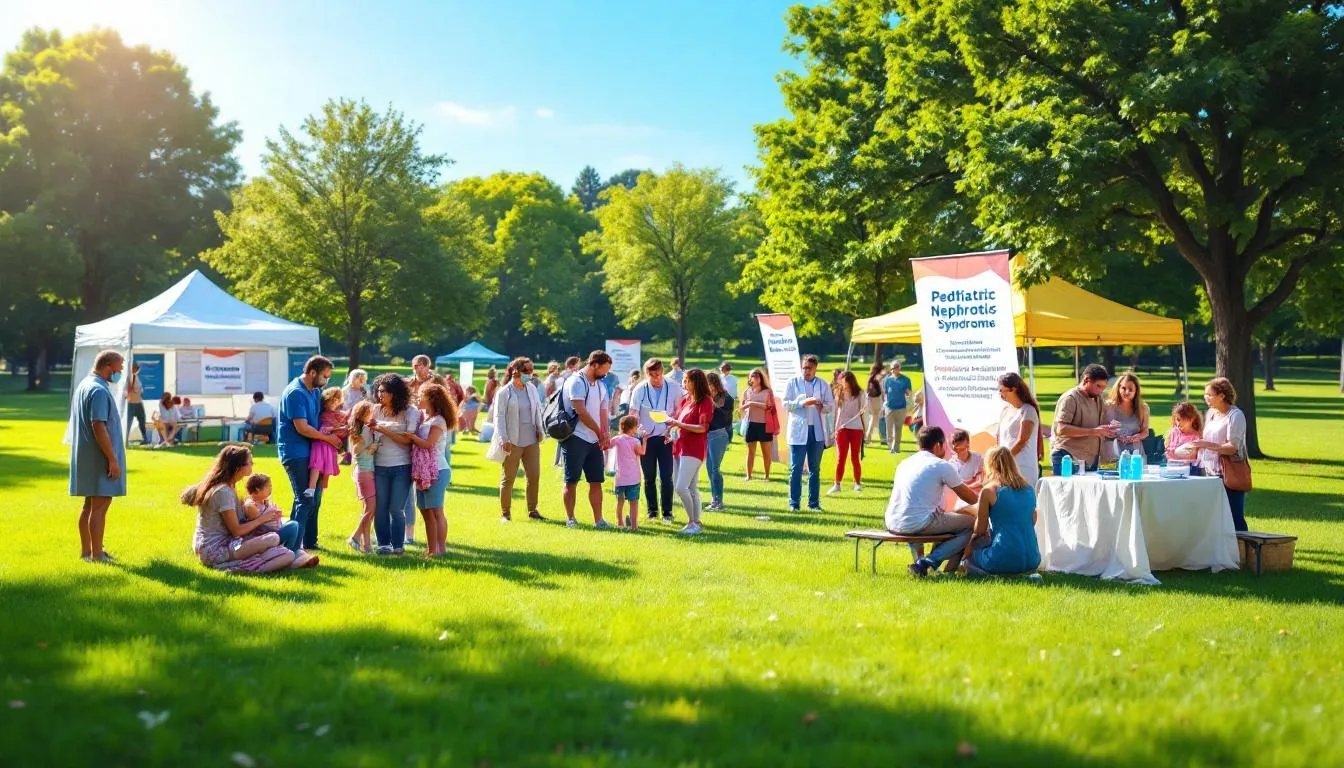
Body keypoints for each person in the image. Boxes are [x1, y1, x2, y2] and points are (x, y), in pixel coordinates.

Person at [182, 445, 315, 573]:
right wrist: (262, 519)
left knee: (285, 523)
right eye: (249, 463)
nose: (252, 465)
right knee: (274, 539)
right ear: (238, 467)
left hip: (227, 543)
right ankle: (242, 567)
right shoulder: (223, 492)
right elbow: (236, 531)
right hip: (217, 549)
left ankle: (289, 555)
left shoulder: (227, 486)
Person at [886, 426, 979, 578]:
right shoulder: (941, 465)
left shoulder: (904, 463)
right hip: (916, 522)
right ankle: (928, 562)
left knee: (934, 517)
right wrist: (988, 500)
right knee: (970, 524)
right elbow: (969, 498)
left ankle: (923, 563)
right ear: (938, 445)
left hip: (892, 521)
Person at [278, 355, 342, 551]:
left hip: (314, 451)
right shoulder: (295, 393)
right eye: (325, 377)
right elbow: (302, 428)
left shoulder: (314, 390)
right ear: (312, 373)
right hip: (295, 452)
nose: (326, 381)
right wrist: (329, 439)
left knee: (315, 498)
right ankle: (293, 547)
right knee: (305, 498)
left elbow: (321, 417)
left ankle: (310, 542)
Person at [69, 350, 126, 563]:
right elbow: (98, 425)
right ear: (108, 367)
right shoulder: (99, 390)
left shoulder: (84, 385)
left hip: (86, 457)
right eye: (119, 369)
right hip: (99, 457)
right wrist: (112, 458)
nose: (120, 373)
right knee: (100, 506)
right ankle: (97, 555)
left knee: (89, 506)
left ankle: (87, 552)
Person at [963, 446, 1041, 577]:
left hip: (1003, 558)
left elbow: (980, 529)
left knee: (972, 553)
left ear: (990, 465)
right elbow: (1033, 519)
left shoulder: (989, 491)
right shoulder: (1029, 489)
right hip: (1032, 559)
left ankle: (981, 572)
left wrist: (969, 543)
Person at [560, 351, 614, 528]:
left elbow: (603, 411)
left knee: (597, 480)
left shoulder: (600, 385)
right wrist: (600, 432)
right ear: (595, 365)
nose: (606, 373)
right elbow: (581, 412)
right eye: (604, 369)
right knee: (571, 480)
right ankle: (570, 518)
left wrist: (605, 434)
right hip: (576, 437)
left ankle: (599, 520)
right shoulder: (576, 381)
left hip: (594, 439)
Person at [367, 373, 419, 554]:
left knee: (396, 508)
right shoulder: (375, 410)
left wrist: (382, 428)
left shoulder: (411, 411)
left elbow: (407, 440)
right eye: (379, 391)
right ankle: (383, 544)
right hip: (379, 466)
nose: (380, 395)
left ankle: (398, 545)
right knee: (380, 508)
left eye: (385, 391)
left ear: (395, 393)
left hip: (402, 467)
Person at [1190, 377, 1250, 531]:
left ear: (1222, 396)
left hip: (1228, 473)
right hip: (1209, 472)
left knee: (1234, 517)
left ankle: (1242, 551)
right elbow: (1206, 437)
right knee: (1214, 517)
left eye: (1209, 395)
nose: (1206, 398)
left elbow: (1233, 447)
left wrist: (1206, 445)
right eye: (1205, 394)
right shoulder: (1211, 413)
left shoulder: (1235, 416)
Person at [406, 383, 455, 557]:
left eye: (421, 396)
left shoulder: (438, 420)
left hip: (437, 471)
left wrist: (410, 437)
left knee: (436, 510)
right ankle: (431, 549)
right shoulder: (424, 417)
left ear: (432, 399)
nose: (418, 399)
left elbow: (428, 444)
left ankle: (441, 549)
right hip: (423, 471)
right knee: (425, 511)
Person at [630, 358, 683, 523]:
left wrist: (673, 423)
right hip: (647, 438)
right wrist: (638, 431)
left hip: (667, 437)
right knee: (649, 476)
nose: (655, 377)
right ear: (646, 374)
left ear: (662, 370)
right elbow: (633, 413)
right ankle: (652, 511)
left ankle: (667, 512)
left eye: (658, 373)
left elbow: (680, 410)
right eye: (651, 374)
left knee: (667, 476)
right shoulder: (640, 389)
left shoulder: (674, 386)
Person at [494, 357, 546, 522]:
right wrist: (503, 438)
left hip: (531, 439)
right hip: (512, 441)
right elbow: (499, 417)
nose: (530, 374)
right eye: (526, 371)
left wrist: (540, 429)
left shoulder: (531, 389)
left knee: (534, 476)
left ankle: (533, 510)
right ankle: (505, 513)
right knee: (508, 478)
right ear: (516, 371)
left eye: (531, 371)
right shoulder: (504, 392)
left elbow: (537, 411)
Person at [785, 354, 835, 512]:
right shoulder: (792, 383)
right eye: (804, 367)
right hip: (798, 431)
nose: (806, 371)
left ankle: (813, 504)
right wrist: (801, 403)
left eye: (809, 368)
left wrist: (821, 405)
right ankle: (794, 503)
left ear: (815, 369)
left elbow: (830, 405)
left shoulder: (823, 384)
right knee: (796, 468)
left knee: (815, 469)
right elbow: (786, 403)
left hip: (817, 431)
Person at [666, 368, 713, 535]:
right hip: (680, 447)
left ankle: (693, 522)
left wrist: (679, 425)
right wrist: (671, 430)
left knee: (681, 487)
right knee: (691, 488)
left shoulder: (705, 401)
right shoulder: (687, 400)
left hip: (694, 449)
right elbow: (680, 422)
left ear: (696, 382)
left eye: (687, 380)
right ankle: (695, 523)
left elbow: (702, 428)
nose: (684, 383)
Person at [1049, 364, 1118, 475]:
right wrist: (1094, 431)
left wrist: (1109, 428)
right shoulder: (1070, 398)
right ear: (1086, 380)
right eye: (1098, 386)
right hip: (1068, 459)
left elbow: (1097, 424)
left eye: (1103, 387)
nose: (1101, 391)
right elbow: (1061, 429)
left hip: (1090, 461)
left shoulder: (1098, 399)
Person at [302, 387, 348, 502]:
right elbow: (328, 429)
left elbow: (343, 429)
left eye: (337, 400)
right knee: (316, 465)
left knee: (326, 468)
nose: (334, 403)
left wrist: (340, 429)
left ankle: (320, 491)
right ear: (326, 400)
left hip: (329, 444)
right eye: (331, 400)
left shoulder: (339, 414)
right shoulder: (322, 413)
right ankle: (312, 489)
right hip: (321, 441)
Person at [996, 372, 1041, 487]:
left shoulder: (1028, 410)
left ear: (1013, 389)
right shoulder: (1005, 410)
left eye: (1002, 390)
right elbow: (999, 437)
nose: (1000, 393)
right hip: (1005, 467)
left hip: (1023, 467)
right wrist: (998, 460)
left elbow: (1022, 440)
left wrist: (1005, 459)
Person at [346, 400, 378, 553]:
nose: (373, 415)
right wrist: (370, 448)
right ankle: (355, 537)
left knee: (368, 509)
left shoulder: (358, 429)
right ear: (364, 414)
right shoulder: (364, 430)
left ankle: (367, 546)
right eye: (370, 412)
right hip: (365, 473)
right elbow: (356, 451)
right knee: (371, 508)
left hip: (363, 472)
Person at [829, 371, 866, 495]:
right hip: (842, 428)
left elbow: (862, 413)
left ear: (851, 382)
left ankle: (857, 484)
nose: (843, 385)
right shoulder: (839, 393)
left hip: (856, 428)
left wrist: (864, 429)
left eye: (845, 382)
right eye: (842, 382)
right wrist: (835, 429)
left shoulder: (860, 394)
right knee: (841, 457)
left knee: (855, 457)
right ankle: (837, 484)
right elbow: (838, 412)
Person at [608, 415, 648, 530]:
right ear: (633, 428)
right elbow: (642, 452)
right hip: (634, 478)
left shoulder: (617, 439)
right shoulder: (635, 441)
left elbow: (607, 445)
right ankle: (634, 526)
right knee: (633, 502)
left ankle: (620, 523)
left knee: (620, 502)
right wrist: (644, 441)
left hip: (620, 479)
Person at [739, 368, 777, 482]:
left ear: (761, 378)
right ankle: (748, 476)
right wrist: (744, 407)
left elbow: (769, 407)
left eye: (757, 375)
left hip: (765, 425)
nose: (754, 377)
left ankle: (766, 476)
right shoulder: (746, 391)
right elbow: (741, 408)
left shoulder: (768, 392)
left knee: (766, 452)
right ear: (749, 379)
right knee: (750, 452)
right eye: (752, 375)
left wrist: (751, 403)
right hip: (750, 424)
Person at [704, 371, 735, 511]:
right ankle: (714, 499)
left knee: (715, 469)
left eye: (709, 384)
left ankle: (719, 501)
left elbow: (724, 419)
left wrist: (711, 404)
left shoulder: (726, 398)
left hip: (719, 434)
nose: (707, 387)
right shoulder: (706, 397)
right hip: (708, 434)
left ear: (715, 384)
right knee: (710, 469)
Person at [1104, 371, 1150, 461]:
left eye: (1131, 389)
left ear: (1136, 391)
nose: (1127, 392)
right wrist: (1115, 435)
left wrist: (1136, 437)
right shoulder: (1108, 407)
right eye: (1123, 388)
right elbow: (1102, 430)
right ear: (1118, 388)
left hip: (1136, 455)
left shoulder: (1143, 408)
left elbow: (1145, 432)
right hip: (1112, 454)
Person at [882, 361, 914, 453]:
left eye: (896, 367)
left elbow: (909, 394)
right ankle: (890, 447)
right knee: (889, 429)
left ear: (899, 368)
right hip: (889, 407)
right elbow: (886, 393)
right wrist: (885, 404)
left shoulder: (906, 380)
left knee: (898, 429)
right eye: (893, 368)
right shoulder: (887, 380)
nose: (894, 369)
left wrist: (908, 394)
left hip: (901, 408)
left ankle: (896, 448)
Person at [945, 429, 985, 495]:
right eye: (955, 449)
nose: (958, 452)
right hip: (961, 499)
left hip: (978, 496)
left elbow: (981, 481)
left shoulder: (978, 457)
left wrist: (964, 488)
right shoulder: (951, 464)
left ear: (968, 445)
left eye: (961, 449)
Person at [862, 362, 886, 445]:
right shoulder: (877, 377)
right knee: (876, 418)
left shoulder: (870, 377)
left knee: (874, 418)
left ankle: (872, 437)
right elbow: (882, 390)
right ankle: (869, 437)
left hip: (869, 399)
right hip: (876, 399)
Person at [124, 362, 147, 444]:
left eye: (137, 369)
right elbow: (129, 389)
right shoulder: (130, 377)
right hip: (131, 403)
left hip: (138, 403)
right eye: (136, 368)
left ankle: (145, 440)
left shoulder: (136, 377)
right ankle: (125, 440)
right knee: (128, 423)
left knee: (142, 422)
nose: (137, 370)